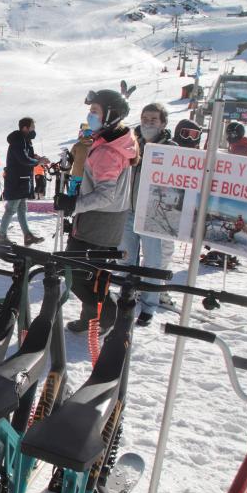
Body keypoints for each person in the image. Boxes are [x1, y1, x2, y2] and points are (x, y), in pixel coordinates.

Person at [55, 90, 138, 333]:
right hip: (109, 220)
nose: (90, 116)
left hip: (97, 223)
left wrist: (73, 204)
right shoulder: (118, 142)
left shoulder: (106, 152)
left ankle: (109, 314)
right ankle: (91, 318)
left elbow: (105, 195)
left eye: (95, 111)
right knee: (93, 273)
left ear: (110, 115)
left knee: (77, 275)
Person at [118, 103, 175, 327]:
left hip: (154, 216)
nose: (148, 122)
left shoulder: (171, 148)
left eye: (153, 119)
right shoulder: (130, 143)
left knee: (152, 262)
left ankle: (149, 305)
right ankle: (126, 299)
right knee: (125, 259)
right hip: (128, 210)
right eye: (145, 118)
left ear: (162, 123)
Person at [0, 117, 49, 247]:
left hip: (22, 180)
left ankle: (27, 236)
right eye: (32, 128)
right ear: (25, 128)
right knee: (11, 209)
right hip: (17, 180)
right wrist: (38, 161)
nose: (33, 131)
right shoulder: (18, 141)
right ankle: (1, 236)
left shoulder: (24, 140)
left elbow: (26, 155)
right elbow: (23, 158)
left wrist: (36, 157)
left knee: (21, 209)